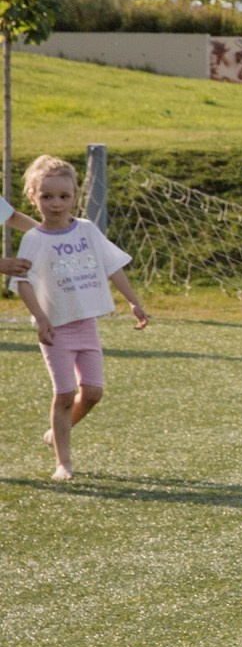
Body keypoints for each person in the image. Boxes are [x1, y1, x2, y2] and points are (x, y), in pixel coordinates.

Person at [12, 155, 151, 482]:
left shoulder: (87, 231)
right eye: (46, 196)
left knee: (92, 393)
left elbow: (112, 266)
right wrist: (41, 318)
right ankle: (64, 462)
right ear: (33, 198)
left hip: (86, 326)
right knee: (63, 394)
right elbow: (23, 283)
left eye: (64, 196)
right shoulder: (33, 239)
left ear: (76, 196)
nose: (56, 203)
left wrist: (133, 302)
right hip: (54, 331)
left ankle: (54, 434)